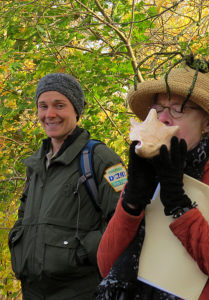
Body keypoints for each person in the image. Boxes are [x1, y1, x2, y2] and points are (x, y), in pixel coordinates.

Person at [96, 65, 209, 299]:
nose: (162, 118)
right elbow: (106, 265)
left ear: (208, 125)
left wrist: (179, 204)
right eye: (158, 108)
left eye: (177, 110)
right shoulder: (147, 170)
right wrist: (132, 200)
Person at [8, 73, 127, 300]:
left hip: (80, 290)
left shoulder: (102, 159)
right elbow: (24, 217)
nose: (49, 114)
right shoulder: (35, 164)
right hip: (33, 291)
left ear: (76, 110)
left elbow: (124, 221)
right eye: (43, 106)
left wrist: (81, 252)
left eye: (59, 105)